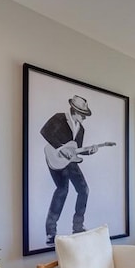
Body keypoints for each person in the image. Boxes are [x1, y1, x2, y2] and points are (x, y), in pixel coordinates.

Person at [40, 95, 99, 245]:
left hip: (69, 161)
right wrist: (61, 148)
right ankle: (50, 232)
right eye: (81, 114)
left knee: (84, 189)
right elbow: (44, 131)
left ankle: (78, 227)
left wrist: (89, 151)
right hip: (55, 157)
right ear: (74, 110)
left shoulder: (81, 129)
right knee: (62, 190)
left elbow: (75, 150)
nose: (84, 117)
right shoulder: (59, 118)